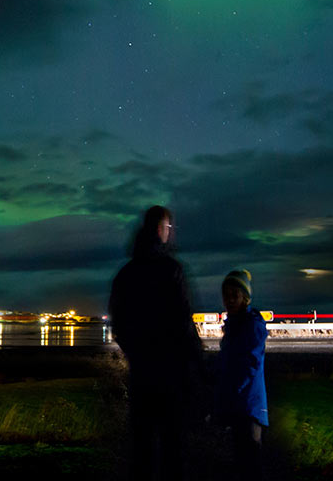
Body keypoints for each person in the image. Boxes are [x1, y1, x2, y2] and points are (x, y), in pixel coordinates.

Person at [108, 205, 203, 481]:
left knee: (142, 450)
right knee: (173, 449)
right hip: (172, 375)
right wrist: (199, 366)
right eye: (169, 227)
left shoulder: (126, 274)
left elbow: (119, 326)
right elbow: (184, 323)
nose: (170, 233)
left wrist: (137, 355)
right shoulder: (172, 270)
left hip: (142, 375)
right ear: (161, 229)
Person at [213, 269, 269, 481]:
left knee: (250, 464)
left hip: (248, 405)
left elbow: (249, 365)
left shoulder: (251, 325)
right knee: (243, 463)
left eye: (234, 295)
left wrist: (231, 390)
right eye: (226, 295)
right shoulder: (234, 325)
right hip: (240, 405)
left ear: (245, 297)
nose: (229, 300)